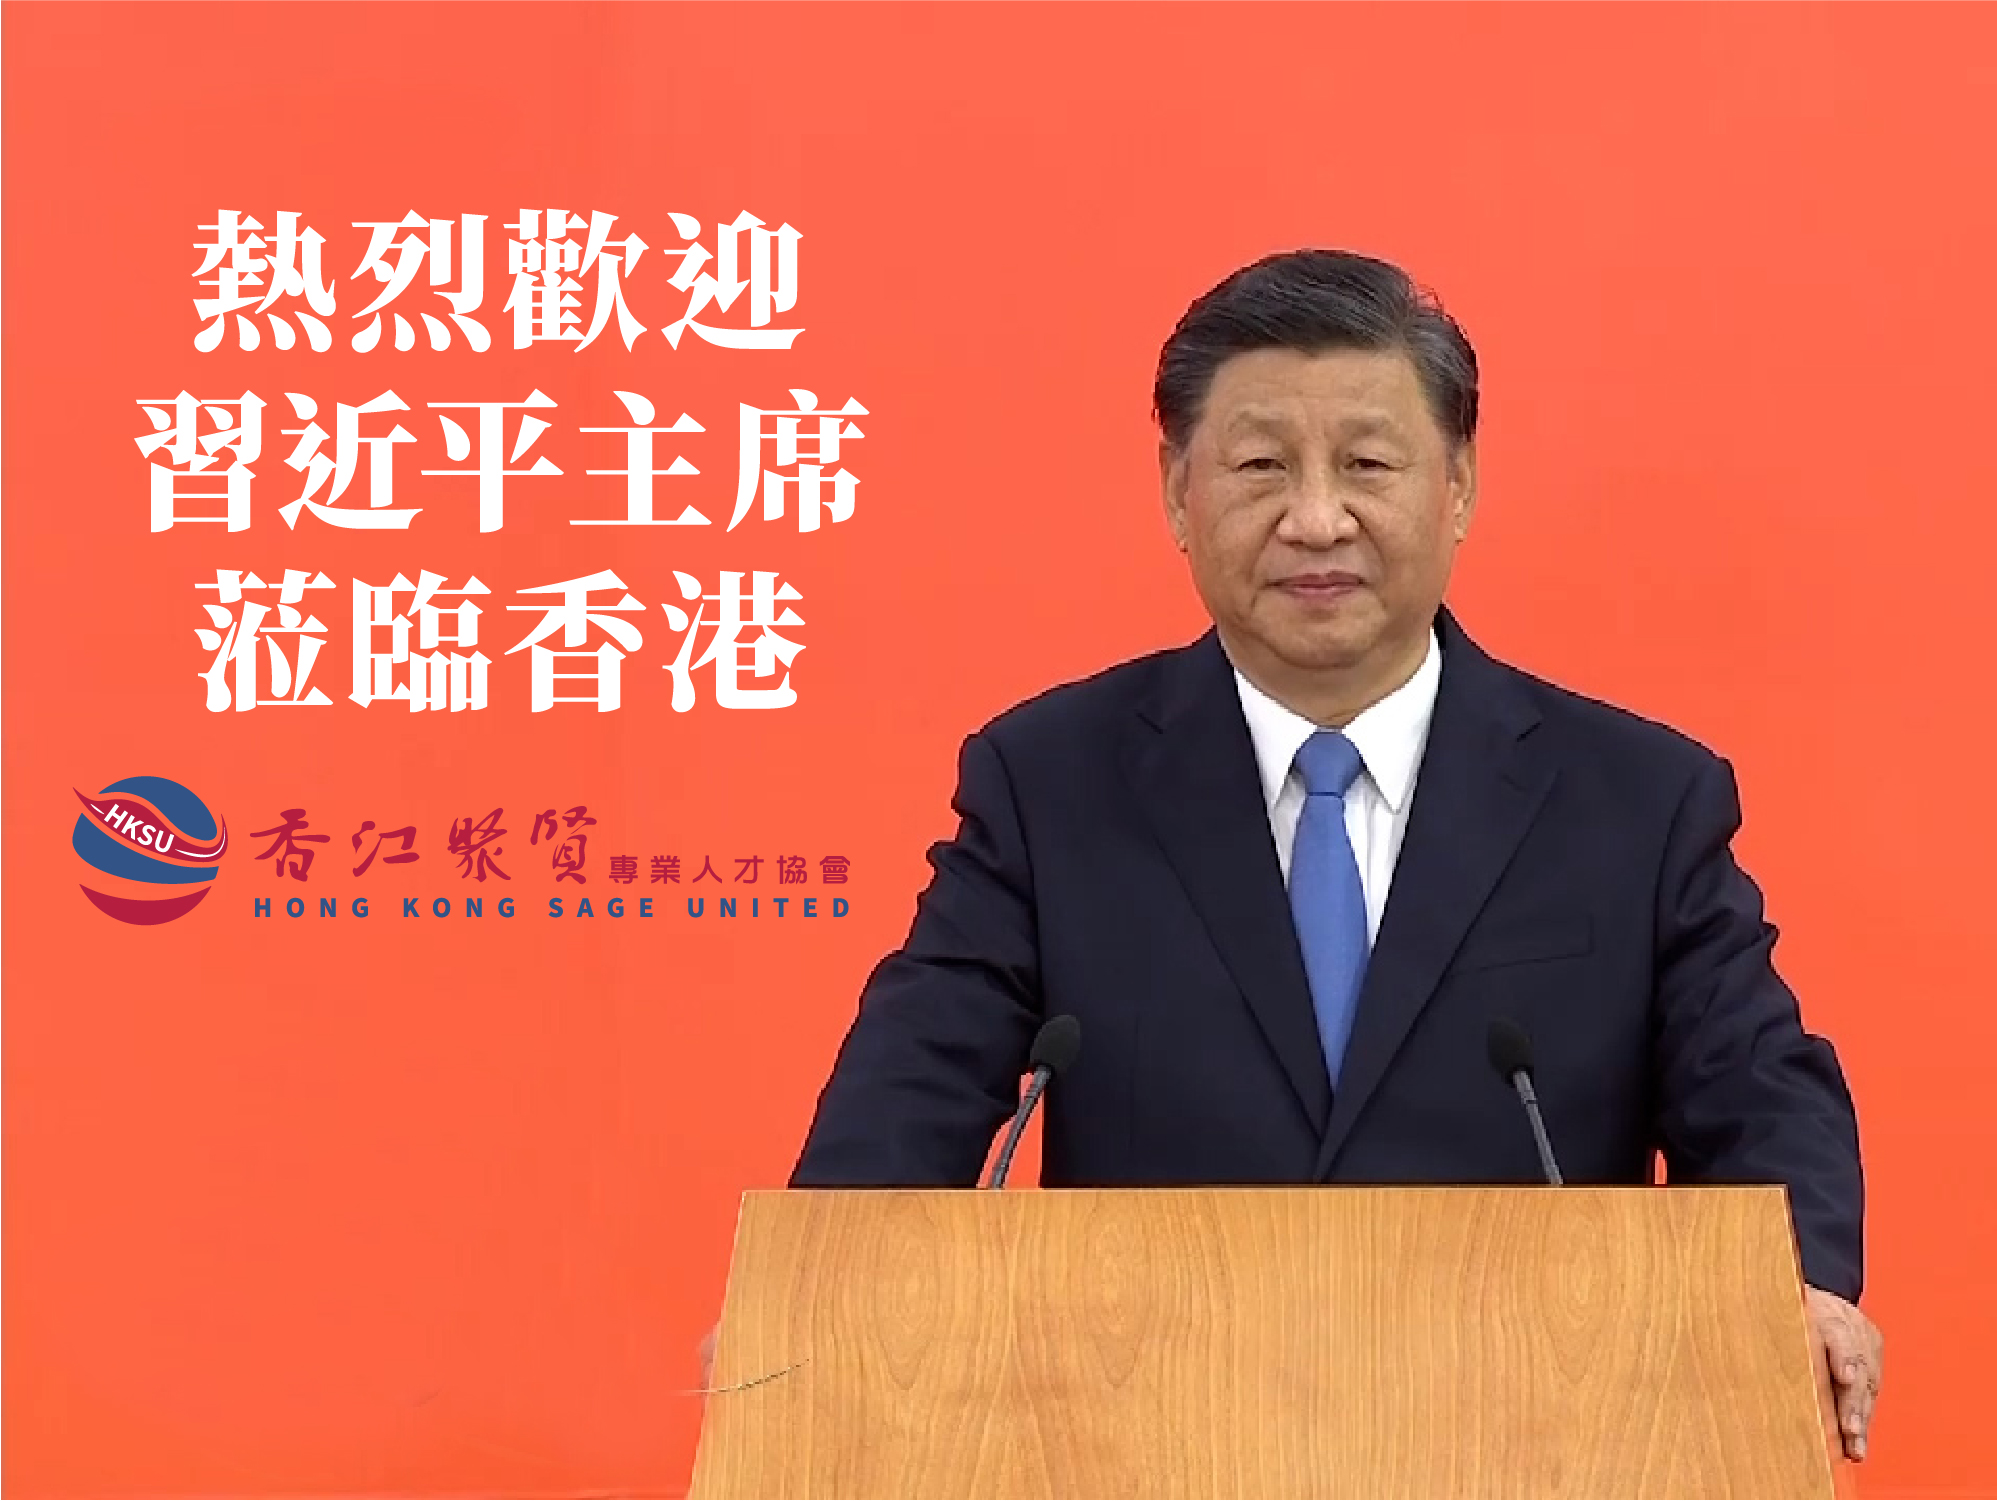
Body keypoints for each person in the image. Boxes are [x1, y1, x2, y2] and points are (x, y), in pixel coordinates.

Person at [786, 250, 1882, 1457]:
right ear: (1176, 492)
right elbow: (916, 1081)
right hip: (1142, 1439)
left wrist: (1793, 1285)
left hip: (1533, 1436)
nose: (1315, 518)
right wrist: (811, 1299)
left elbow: (1755, 1085)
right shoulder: (1049, 781)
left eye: (1366, 463)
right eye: (1260, 466)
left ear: (1457, 485)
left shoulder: (1635, 799)